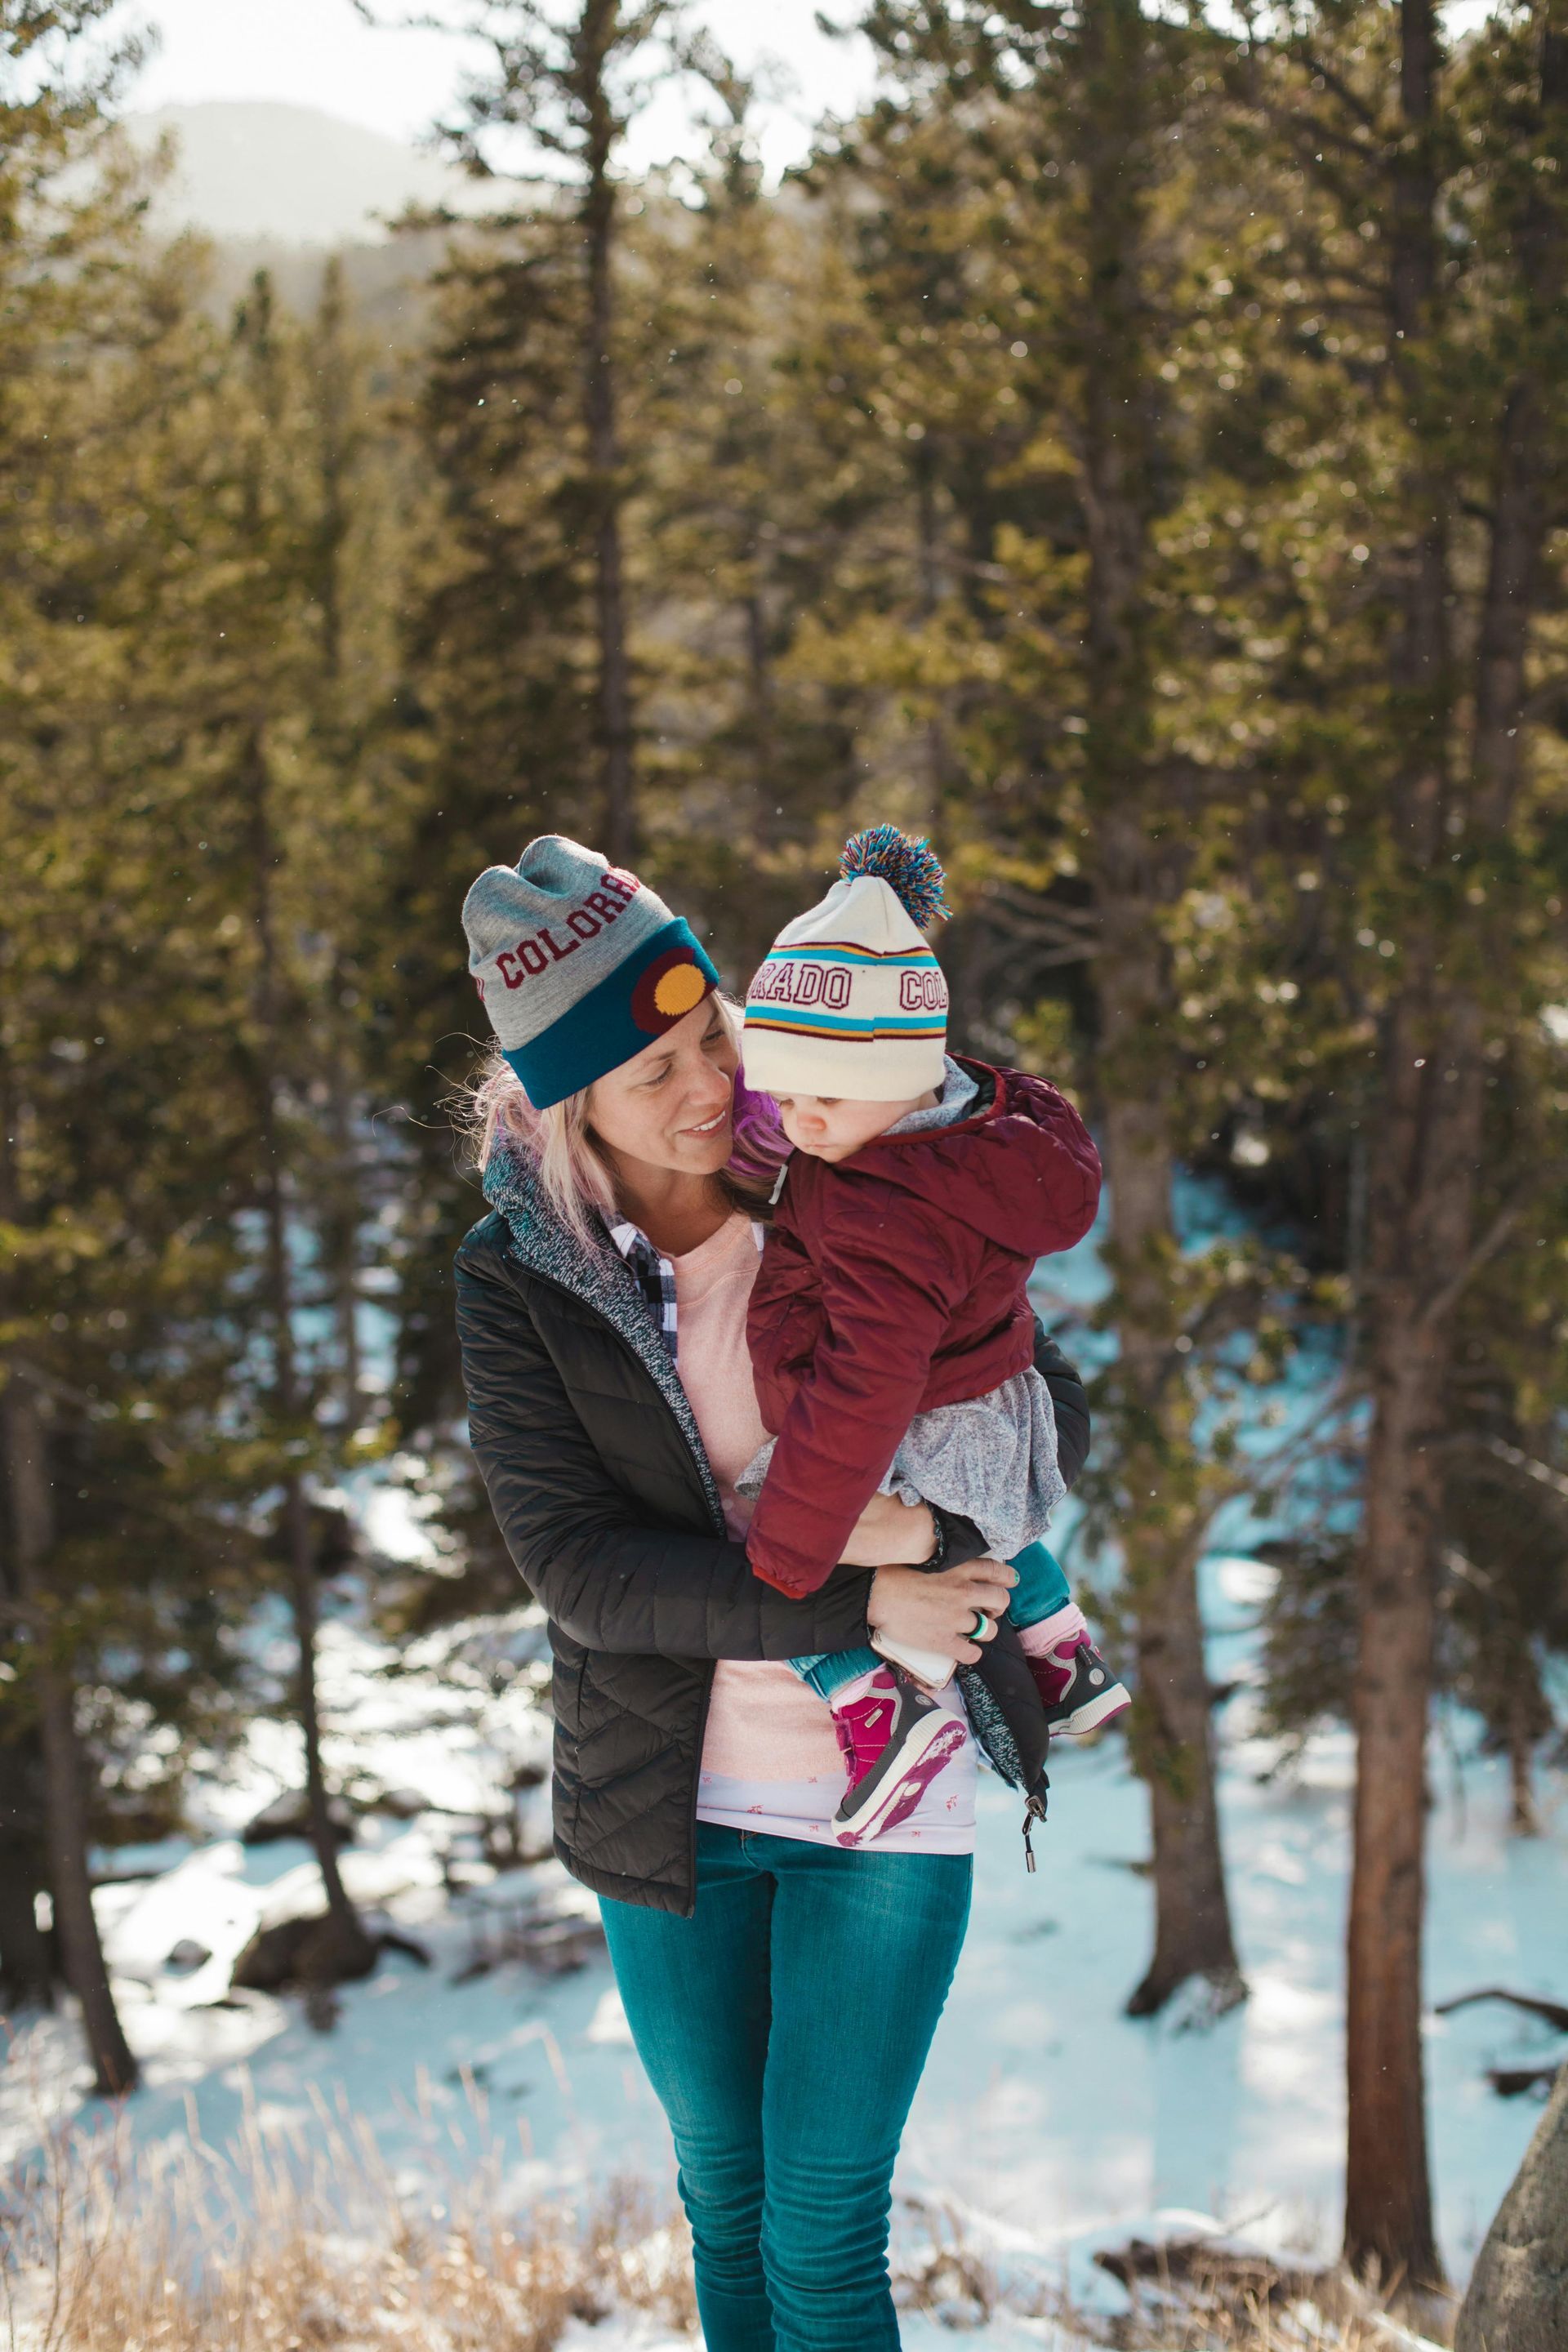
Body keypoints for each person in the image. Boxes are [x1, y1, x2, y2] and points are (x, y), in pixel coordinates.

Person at [454, 833, 1092, 2349]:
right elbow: (585, 1577)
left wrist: (940, 1525)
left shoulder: (845, 1161)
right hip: (666, 1801)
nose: (705, 1090)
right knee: (723, 2206)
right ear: (568, 1105)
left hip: (883, 1803)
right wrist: (851, 1603)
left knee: (819, 2232)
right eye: (650, 1072)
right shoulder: (522, 1278)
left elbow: (1047, 1398)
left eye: (709, 1039)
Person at [739, 825, 1129, 1846]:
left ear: (902, 1071)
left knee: (769, 1514)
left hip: (930, 1430)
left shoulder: (882, 1207)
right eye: (781, 1093)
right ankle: (1055, 1641)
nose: (798, 1121)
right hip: (998, 1415)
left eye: (821, 1096)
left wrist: (791, 1546)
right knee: (970, 1506)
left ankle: (883, 1707)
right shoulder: (968, 1135)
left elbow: (868, 1383)